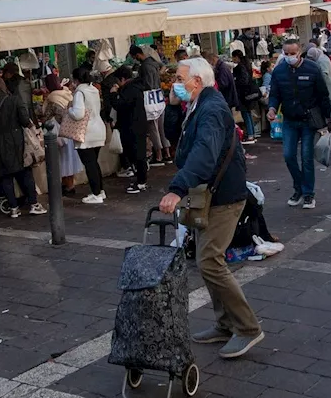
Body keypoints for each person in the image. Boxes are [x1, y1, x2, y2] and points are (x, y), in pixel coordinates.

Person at [158, 58, 264, 360]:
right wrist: (173, 104)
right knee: (207, 261)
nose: (174, 82)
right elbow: (172, 136)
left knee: (209, 261)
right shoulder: (195, 104)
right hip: (212, 195)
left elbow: (205, 153)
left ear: (197, 81)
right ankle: (225, 323)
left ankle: (247, 328)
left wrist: (177, 189)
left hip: (224, 195)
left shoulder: (211, 108)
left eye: (179, 78)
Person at [266, 41, 331, 210]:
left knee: (306, 157)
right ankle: (299, 188)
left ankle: (308, 193)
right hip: (289, 119)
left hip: (308, 120)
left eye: (292, 53)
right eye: (286, 53)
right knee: (289, 156)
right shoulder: (279, 71)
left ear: (300, 51)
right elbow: (274, 94)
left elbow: (323, 95)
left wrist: (328, 119)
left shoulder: (312, 69)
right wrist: (272, 108)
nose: (289, 57)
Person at [0, 77, 44, 218]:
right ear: (4, 87)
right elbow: (24, 120)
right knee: (25, 173)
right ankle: (33, 204)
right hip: (17, 142)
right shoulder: (14, 100)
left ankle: (14, 208)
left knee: (5, 177)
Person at [70, 69, 108, 204]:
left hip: (86, 131)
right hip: (98, 129)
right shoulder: (93, 90)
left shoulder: (80, 92)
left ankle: (96, 193)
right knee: (94, 162)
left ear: (76, 79)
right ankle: (100, 191)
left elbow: (78, 114)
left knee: (89, 163)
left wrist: (69, 110)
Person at [112, 66, 150, 194]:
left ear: (122, 79)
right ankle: (141, 181)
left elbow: (120, 105)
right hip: (139, 124)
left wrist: (113, 94)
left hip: (131, 126)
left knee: (136, 155)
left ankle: (140, 182)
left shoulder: (129, 90)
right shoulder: (136, 87)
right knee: (138, 154)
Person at [132, 45, 170, 167]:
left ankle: (158, 156)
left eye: (134, 57)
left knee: (153, 128)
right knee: (161, 128)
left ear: (137, 55)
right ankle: (167, 154)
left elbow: (148, 84)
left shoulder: (145, 66)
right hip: (159, 98)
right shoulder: (154, 63)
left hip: (150, 100)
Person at [43, 74, 81, 196]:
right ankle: (69, 184)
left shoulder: (52, 98)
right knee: (69, 159)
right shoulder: (67, 93)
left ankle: (68, 186)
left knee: (63, 160)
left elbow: (48, 116)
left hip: (60, 132)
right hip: (70, 130)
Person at [232, 50, 259, 145]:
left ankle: (250, 135)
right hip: (248, 93)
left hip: (243, 94)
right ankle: (253, 134)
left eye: (233, 57)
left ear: (236, 57)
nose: (232, 59)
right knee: (248, 114)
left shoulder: (240, 67)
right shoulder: (247, 65)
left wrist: (235, 81)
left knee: (245, 114)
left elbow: (243, 80)